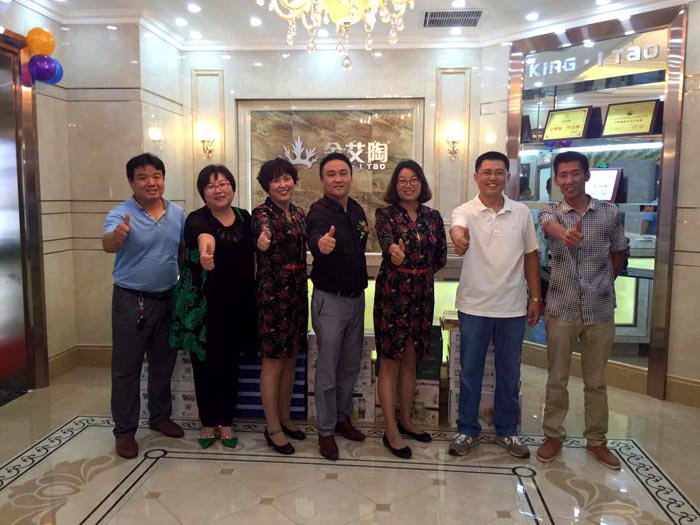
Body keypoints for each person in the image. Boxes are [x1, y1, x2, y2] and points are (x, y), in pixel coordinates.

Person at [536, 151, 626, 470]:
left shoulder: (610, 213)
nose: (569, 180)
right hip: (561, 307)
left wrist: (602, 283)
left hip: (599, 309)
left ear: (587, 176)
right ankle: (552, 435)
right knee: (556, 377)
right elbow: (548, 226)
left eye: (575, 173)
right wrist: (565, 234)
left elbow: (618, 254)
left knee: (596, 380)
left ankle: (597, 441)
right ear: (556, 180)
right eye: (563, 175)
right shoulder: (551, 212)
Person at [449, 151, 541, 459]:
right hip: (474, 306)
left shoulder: (521, 213)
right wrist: (459, 239)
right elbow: (457, 228)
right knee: (470, 372)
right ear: (476, 177)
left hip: (513, 307)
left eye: (498, 172)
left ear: (507, 177)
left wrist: (535, 298)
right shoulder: (465, 210)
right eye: (486, 172)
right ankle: (467, 430)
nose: (492, 177)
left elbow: (531, 256)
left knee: (509, 373)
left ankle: (508, 430)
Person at [102, 153, 186, 460]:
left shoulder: (177, 213)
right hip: (130, 301)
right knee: (126, 369)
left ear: (163, 179)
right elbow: (107, 243)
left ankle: (159, 416)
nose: (151, 182)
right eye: (143, 177)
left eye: (157, 176)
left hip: (167, 299)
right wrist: (117, 236)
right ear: (131, 182)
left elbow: (181, 252)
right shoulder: (120, 213)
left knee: (164, 362)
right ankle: (125, 431)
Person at [170, 164, 257, 449]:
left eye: (223, 184)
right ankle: (208, 422)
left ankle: (226, 421)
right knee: (204, 366)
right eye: (210, 186)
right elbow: (203, 236)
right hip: (205, 309)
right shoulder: (196, 219)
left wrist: (263, 241)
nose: (218, 190)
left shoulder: (244, 218)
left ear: (232, 186)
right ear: (202, 192)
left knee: (230, 366)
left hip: (238, 305)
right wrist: (207, 250)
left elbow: (256, 250)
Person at [374, 160, 447, 460]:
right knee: (390, 360)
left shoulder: (433, 216)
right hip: (393, 293)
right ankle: (390, 429)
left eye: (413, 179)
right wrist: (394, 252)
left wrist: (419, 272)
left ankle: (406, 420)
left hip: (422, 293)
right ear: (395, 185)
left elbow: (440, 256)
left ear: (421, 183)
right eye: (402, 180)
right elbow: (387, 242)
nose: (408, 185)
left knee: (411, 357)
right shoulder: (386, 214)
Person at [306, 152, 369, 461]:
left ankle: (343, 418)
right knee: (328, 368)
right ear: (322, 180)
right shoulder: (318, 212)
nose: (338, 179)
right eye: (331, 174)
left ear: (350, 177)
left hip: (357, 298)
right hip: (330, 300)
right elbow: (315, 236)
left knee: (350, 365)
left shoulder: (356, 209)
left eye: (343, 173)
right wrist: (321, 244)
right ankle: (325, 430)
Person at [253, 158, 308, 455]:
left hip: (297, 292)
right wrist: (262, 239)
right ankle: (272, 427)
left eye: (287, 178)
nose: (283, 184)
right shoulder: (261, 214)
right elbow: (262, 232)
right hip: (273, 295)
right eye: (276, 180)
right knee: (273, 361)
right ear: (267, 186)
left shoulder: (299, 214)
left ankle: (285, 418)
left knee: (291, 359)